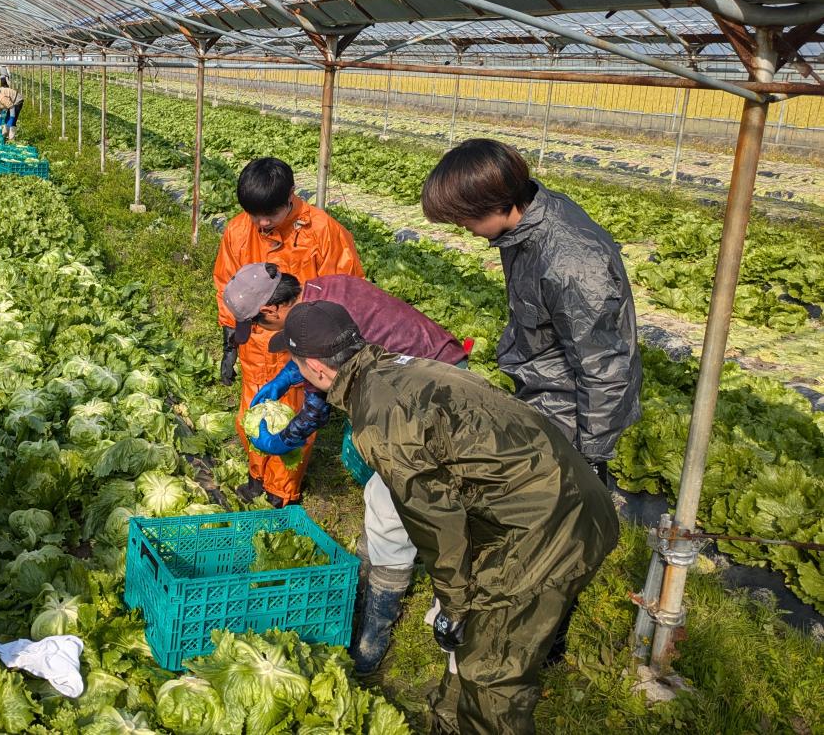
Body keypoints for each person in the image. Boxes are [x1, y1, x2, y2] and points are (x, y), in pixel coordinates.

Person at [275, 300, 619, 735]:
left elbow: (436, 521)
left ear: (317, 368)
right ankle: (450, 721)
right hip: (548, 496)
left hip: (547, 525)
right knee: (474, 646)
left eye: (297, 365)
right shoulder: (395, 369)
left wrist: (453, 604)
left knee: (493, 673)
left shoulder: (381, 419)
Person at [223, 262, 467, 673]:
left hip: (428, 391)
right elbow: (322, 362)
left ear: (270, 310)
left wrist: (288, 435)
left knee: (391, 507)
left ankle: (376, 627)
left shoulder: (329, 330)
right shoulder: (322, 291)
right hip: (426, 370)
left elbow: (325, 389)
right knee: (383, 490)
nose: (262, 331)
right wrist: (287, 378)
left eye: (258, 324)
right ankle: (379, 563)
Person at [420, 139, 641, 484]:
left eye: (463, 218)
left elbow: (602, 367)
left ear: (494, 203)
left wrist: (590, 456)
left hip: (568, 410)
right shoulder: (524, 225)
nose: (461, 226)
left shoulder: (570, 263)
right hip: (542, 388)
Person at [213, 157, 362, 507]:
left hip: (302, 343)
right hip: (255, 341)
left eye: (270, 215)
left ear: (292, 195)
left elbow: (345, 290)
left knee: (291, 419)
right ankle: (256, 474)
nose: (262, 223)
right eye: (255, 215)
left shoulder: (322, 232)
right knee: (252, 412)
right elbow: (227, 286)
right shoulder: (238, 230)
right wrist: (229, 341)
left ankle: (281, 490)